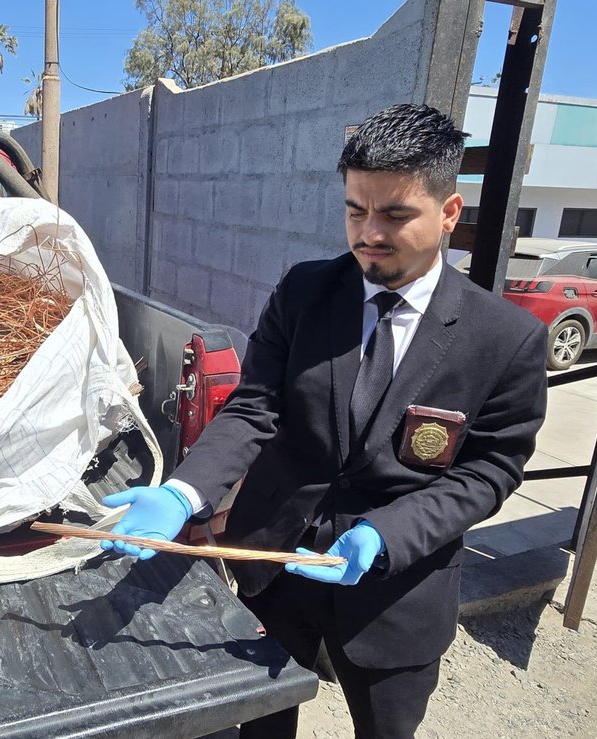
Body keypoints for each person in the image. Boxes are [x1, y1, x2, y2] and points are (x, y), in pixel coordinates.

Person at [99, 103, 548, 738]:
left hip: (397, 590)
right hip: (274, 563)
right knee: (259, 725)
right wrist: (185, 490)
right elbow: (255, 406)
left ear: (449, 212)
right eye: (355, 211)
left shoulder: (504, 338)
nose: (370, 234)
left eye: (395, 215)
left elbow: (490, 470)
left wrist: (387, 535)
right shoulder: (305, 292)